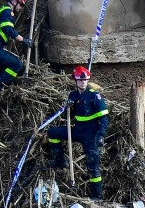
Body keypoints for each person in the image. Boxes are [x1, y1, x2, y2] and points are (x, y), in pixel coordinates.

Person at [46, 66, 110, 199]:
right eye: (80, 81)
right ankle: (60, 160)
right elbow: (68, 115)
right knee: (52, 132)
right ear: (75, 81)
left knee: (93, 165)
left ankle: (97, 196)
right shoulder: (73, 95)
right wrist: (67, 107)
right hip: (77, 131)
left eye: (85, 80)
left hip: (90, 135)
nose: (83, 82)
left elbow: (104, 118)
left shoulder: (94, 96)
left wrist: (100, 135)